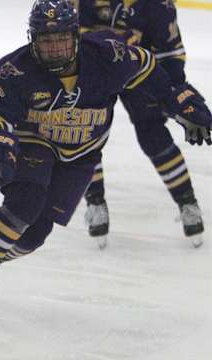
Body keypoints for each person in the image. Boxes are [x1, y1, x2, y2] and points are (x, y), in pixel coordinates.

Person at [0, 0, 211, 321]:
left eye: (61, 40)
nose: (54, 49)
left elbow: (153, 72)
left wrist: (184, 104)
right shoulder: (16, 69)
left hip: (81, 156)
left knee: (35, 235)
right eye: (46, 40)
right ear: (32, 38)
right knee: (25, 203)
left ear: (76, 36)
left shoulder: (109, 57)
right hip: (35, 143)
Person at [78, 0, 206, 248]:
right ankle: (95, 202)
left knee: (153, 134)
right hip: (96, 69)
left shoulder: (158, 4)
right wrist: (110, 40)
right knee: (84, 131)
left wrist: (177, 92)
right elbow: (72, 31)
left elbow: (170, 51)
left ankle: (187, 203)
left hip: (142, 71)